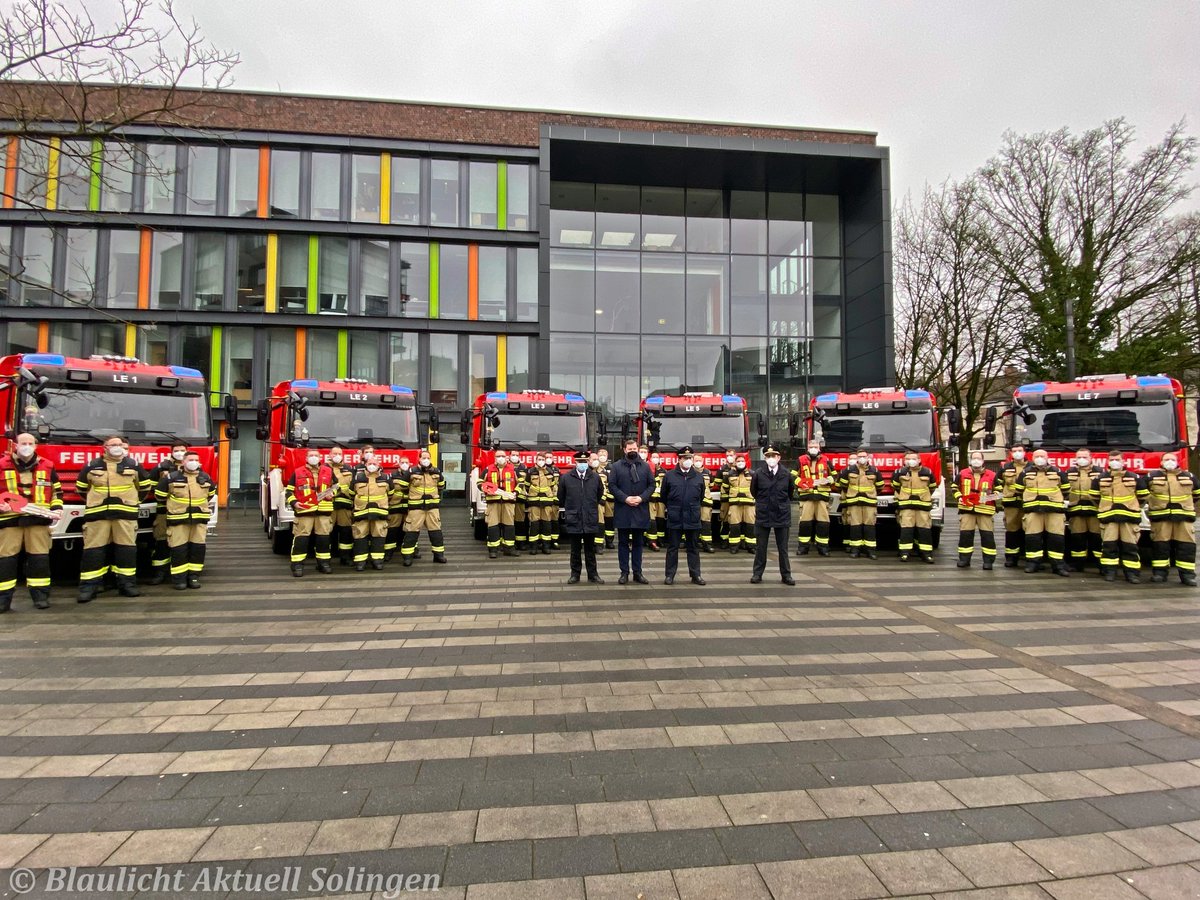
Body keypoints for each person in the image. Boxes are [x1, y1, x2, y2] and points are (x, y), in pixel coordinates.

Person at [76, 434, 153, 602]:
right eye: (113, 444)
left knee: (127, 551)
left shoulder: (133, 465)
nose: (117, 447)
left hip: (125, 516)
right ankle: (89, 587)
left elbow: (145, 487)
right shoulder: (91, 466)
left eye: (120, 444)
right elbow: (82, 488)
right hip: (97, 516)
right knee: (93, 552)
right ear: (105, 448)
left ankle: (127, 585)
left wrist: (132, 503)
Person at [0, 433, 63, 611]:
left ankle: (40, 597)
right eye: (23, 443)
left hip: (38, 521)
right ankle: (3, 600)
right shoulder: (1, 465)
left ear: (35, 446)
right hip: (9, 521)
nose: (26, 446)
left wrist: (56, 509)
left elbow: (57, 493)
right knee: (6, 561)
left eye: (30, 443)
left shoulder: (48, 466)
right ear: (15, 445)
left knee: (39, 560)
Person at [156, 449, 215, 589]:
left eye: (195, 460)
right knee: (178, 550)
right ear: (183, 462)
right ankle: (179, 579)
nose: (193, 462)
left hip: (199, 521)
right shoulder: (171, 477)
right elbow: (160, 495)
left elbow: (211, 494)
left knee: (197, 549)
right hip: (178, 521)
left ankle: (193, 577)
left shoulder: (205, 477)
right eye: (190, 460)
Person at [1145, 451, 1199, 586]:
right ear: (1161, 462)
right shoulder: (1151, 477)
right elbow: (1143, 494)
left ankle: (1187, 575)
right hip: (1161, 518)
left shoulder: (1189, 476)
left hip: (1184, 518)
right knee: (1160, 546)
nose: (1169, 462)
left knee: (1186, 547)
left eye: (1172, 459)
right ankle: (1159, 573)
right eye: (1166, 459)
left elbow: (1196, 495)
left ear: (1177, 462)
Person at [1093, 449, 1146, 584]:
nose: (1114, 462)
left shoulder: (1134, 477)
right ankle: (1110, 571)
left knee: (1130, 547)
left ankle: (1132, 573)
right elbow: (1094, 497)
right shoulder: (1100, 478)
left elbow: (1144, 496)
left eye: (1117, 460)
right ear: (1108, 462)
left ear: (1123, 461)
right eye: (1112, 460)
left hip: (1129, 518)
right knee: (1109, 546)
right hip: (1108, 518)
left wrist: (1133, 506)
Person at [1016, 449, 1070, 577]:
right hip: (1033, 511)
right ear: (1032, 458)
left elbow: (1066, 490)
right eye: (1037, 456)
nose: (1040, 458)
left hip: (1054, 511)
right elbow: (1019, 490)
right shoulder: (1025, 472)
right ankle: (1032, 563)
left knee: (1056, 538)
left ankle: (1058, 565)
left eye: (1042, 456)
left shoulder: (1057, 472)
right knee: (1032, 538)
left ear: (1047, 457)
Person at [609, 438, 653, 584]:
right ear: (624, 450)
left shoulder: (645, 467)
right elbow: (612, 486)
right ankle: (624, 573)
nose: (633, 451)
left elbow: (651, 486)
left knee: (638, 544)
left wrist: (641, 498)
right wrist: (625, 498)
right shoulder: (616, 467)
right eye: (630, 449)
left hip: (640, 509)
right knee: (622, 543)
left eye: (635, 449)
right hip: (623, 509)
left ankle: (638, 573)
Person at [659, 446, 706, 585]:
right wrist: (673, 508)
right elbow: (664, 496)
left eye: (689, 458)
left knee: (693, 547)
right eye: (685, 458)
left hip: (692, 517)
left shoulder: (698, 476)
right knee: (673, 547)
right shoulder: (670, 476)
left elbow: (701, 496)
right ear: (679, 459)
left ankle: (695, 575)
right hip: (675, 516)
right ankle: (670, 575)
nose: (687, 460)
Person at [285, 448, 335, 577]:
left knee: (323, 538)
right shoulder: (298, 472)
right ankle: (297, 565)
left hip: (323, 511)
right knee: (301, 539)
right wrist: (294, 503)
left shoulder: (329, 471)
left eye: (316, 455)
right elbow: (289, 491)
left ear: (320, 458)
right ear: (306, 458)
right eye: (311, 455)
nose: (313, 457)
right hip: (305, 511)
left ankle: (324, 563)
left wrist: (333, 493)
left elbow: (337, 487)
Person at [750, 445, 795, 585]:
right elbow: (754, 492)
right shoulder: (758, 473)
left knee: (783, 548)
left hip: (782, 514)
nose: (771, 459)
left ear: (779, 457)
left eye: (773, 456)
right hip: (764, 514)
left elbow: (790, 493)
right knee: (760, 547)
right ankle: (757, 574)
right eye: (768, 456)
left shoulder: (786, 474)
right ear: (765, 458)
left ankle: (786, 575)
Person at [557, 449, 604, 584]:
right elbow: (561, 496)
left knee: (590, 549)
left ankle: (593, 575)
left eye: (584, 461)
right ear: (575, 462)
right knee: (575, 549)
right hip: (574, 517)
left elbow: (599, 494)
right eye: (580, 462)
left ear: (588, 462)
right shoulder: (566, 477)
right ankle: (575, 574)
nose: (582, 464)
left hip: (589, 517)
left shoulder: (595, 477)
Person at [147, 441, 187, 585]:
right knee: (162, 541)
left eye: (182, 450)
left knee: (181, 543)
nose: (179, 452)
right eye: (176, 450)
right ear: (171, 451)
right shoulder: (162, 467)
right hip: (164, 511)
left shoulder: (191, 468)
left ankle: (177, 573)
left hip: (183, 513)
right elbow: (149, 485)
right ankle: (160, 572)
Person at [398, 449, 447, 566]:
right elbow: (403, 487)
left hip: (432, 508)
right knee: (412, 532)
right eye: (423, 458)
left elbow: (441, 486)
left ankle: (438, 555)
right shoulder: (411, 471)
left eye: (428, 458)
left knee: (436, 532)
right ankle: (407, 557)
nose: (426, 460)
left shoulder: (436, 472)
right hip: (416, 508)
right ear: (419, 459)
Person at [953, 452, 999, 569]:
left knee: (987, 537)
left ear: (983, 461)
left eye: (978, 458)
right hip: (967, 510)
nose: (976, 460)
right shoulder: (962, 473)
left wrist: (984, 499)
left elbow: (999, 493)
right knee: (965, 536)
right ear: (970, 460)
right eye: (974, 458)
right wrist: (959, 497)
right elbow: (954, 487)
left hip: (985, 511)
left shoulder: (992, 475)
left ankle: (988, 562)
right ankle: (964, 559)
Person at [837, 448, 883, 559]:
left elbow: (880, 486)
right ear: (857, 458)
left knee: (869, 526)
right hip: (854, 502)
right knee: (855, 526)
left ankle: (870, 550)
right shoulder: (848, 470)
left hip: (869, 503)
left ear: (868, 458)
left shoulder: (875, 471)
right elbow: (843, 485)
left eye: (864, 456)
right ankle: (855, 549)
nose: (862, 459)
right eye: (860, 456)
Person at [346, 454, 390, 570]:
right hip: (361, 513)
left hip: (380, 514)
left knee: (379, 535)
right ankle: (360, 562)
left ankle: (377, 561)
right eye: (369, 464)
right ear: (365, 465)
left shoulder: (386, 478)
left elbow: (391, 494)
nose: (372, 466)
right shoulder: (357, 478)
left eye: (374, 464)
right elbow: (351, 493)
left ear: (379, 465)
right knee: (360, 536)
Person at [892, 451, 937, 563]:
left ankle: (926, 554)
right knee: (906, 529)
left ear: (919, 460)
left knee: (924, 530)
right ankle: (905, 553)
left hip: (923, 506)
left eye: (913, 458)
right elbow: (896, 486)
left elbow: (932, 487)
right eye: (908, 459)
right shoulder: (899, 472)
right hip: (906, 505)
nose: (911, 461)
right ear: (905, 461)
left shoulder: (927, 472)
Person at [793, 440, 834, 556]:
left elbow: (835, 475)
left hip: (822, 497)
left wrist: (828, 481)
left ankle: (823, 547)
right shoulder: (801, 460)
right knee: (805, 523)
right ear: (807, 447)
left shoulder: (826, 460)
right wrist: (801, 483)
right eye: (811, 446)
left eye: (815, 446)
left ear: (819, 448)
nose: (813, 448)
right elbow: (792, 475)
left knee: (823, 523)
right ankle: (803, 547)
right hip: (806, 497)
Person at [1065, 448, 1101, 571]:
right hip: (1076, 511)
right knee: (1077, 538)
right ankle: (1077, 564)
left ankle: (1101, 565)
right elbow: (1064, 490)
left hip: (1095, 512)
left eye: (1085, 457)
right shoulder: (1069, 472)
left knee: (1097, 539)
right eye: (1079, 457)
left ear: (1091, 458)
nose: (1082, 460)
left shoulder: (1100, 473)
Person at [481, 450, 519, 558]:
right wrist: (486, 489)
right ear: (495, 458)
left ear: (506, 457)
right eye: (498, 456)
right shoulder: (488, 469)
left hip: (508, 502)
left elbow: (520, 482)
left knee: (509, 526)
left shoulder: (513, 469)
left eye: (502, 456)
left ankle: (509, 548)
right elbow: (479, 482)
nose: (500, 458)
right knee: (493, 526)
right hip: (493, 503)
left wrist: (516, 492)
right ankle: (493, 550)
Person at [999, 447, 1030, 567]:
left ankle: (1030, 558)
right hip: (1011, 504)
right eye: (1014, 451)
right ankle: (1011, 558)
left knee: (1030, 531)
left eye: (1020, 450)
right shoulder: (1005, 467)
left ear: (1024, 452)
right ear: (1011, 453)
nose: (1017, 453)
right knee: (1012, 531)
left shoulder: (1032, 467)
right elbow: (997, 484)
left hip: (1028, 505)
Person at [525, 452, 559, 555]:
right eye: (539, 459)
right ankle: (533, 547)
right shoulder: (530, 471)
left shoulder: (550, 472)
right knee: (534, 525)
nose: (541, 461)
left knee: (546, 525)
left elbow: (553, 486)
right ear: (536, 460)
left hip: (547, 502)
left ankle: (546, 547)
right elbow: (526, 486)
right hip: (534, 502)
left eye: (542, 459)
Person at [327, 445, 356, 565]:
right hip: (328, 506)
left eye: (339, 454)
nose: (337, 456)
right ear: (329, 455)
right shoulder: (323, 468)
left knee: (346, 532)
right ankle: (325, 558)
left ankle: (345, 557)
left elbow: (354, 487)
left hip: (345, 506)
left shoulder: (349, 469)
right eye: (335, 454)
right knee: (326, 532)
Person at [724, 453, 756, 554]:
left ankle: (751, 546)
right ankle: (734, 546)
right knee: (734, 526)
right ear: (735, 463)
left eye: (742, 461)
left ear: (746, 462)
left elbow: (756, 488)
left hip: (749, 505)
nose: (740, 463)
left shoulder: (752, 473)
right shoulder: (729, 474)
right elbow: (725, 488)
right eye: (738, 461)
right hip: (734, 504)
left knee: (750, 525)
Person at [385, 456, 412, 561]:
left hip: (409, 507)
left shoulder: (414, 475)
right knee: (392, 530)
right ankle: (389, 552)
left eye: (406, 462)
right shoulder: (392, 476)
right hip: (395, 507)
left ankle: (413, 550)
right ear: (398, 464)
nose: (404, 464)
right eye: (402, 462)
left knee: (410, 530)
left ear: (410, 463)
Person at [647, 450, 667, 551]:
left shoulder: (664, 471)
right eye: (653, 457)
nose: (655, 459)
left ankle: (661, 539)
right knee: (652, 520)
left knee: (660, 520)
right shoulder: (648, 469)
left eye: (657, 457)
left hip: (661, 500)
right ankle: (652, 541)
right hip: (651, 499)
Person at [597, 448, 616, 549]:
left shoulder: (612, 468)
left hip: (610, 500)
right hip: (600, 500)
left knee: (610, 521)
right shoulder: (595, 469)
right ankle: (599, 543)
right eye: (600, 453)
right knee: (600, 521)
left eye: (604, 454)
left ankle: (609, 541)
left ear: (607, 456)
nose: (602, 455)